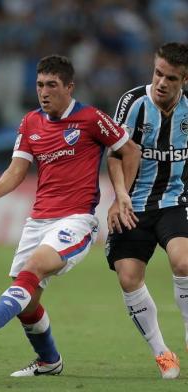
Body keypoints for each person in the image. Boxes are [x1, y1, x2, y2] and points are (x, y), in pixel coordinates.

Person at [0, 54, 140, 376]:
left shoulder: (90, 118)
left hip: (76, 219)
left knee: (32, 270)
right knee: (26, 300)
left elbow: (129, 150)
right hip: (38, 221)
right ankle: (49, 361)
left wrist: (120, 197)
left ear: (69, 87)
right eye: (39, 85)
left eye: (52, 85)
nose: (44, 92)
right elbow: (17, 170)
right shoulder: (31, 121)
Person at [106, 42, 188, 379]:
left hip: (174, 200)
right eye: (158, 73)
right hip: (134, 203)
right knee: (128, 277)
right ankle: (162, 354)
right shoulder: (132, 103)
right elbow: (114, 154)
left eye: (171, 77)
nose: (162, 82)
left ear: (184, 79)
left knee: (184, 260)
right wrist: (119, 195)